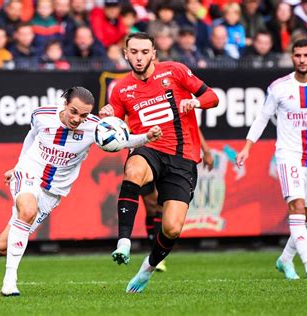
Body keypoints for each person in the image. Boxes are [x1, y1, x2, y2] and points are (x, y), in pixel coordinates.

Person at [0, 86, 163, 296]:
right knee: (27, 210)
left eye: (84, 115)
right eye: (74, 112)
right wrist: (17, 166)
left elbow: (122, 141)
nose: (78, 119)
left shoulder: (95, 127)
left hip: (53, 192)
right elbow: (31, 136)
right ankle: (9, 282)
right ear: (65, 104)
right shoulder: (42, 115)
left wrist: (146, 137)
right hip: (29, 172)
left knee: (3, 246)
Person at [99, 32, 219, 293]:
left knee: (173, 228)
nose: (139, 57)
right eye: (134, 52)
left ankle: (148, 267)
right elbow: (115, 134)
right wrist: (107, 116)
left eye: (144, 52)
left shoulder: (175, 71)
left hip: (182, 156)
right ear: (125, 54)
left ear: (154, 53)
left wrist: (195, 101)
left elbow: (213, 97)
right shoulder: (120, 89)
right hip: (148, 148)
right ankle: (123, 242)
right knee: (133, 169)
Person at [236, 39, 307, 280]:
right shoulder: (279, 87)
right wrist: (246, 148)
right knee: (295, 207)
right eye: (298, 55)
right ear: (292, 57)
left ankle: (285, 259)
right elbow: (262, 118)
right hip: (288, 155)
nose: (302, 59)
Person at [141, 129, 214, 272]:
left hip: (168, 155)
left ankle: (157, 256)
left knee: (159, 205)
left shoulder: (175, 107)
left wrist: (206, 151)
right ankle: (153, 250)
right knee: (150, 205)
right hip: (143, 153)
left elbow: (192, 125)